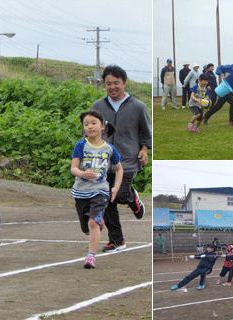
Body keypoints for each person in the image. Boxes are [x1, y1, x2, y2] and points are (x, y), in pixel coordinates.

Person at [90, 65, 152, 252]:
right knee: (107, 200)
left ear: (124, 83)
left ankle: (132, 197)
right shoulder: (98, 106)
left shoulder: (138, 106)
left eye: (116, 83)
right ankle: (117, 241)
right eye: (108, 84)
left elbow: (146, 133)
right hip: (103, 162)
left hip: (127, 160)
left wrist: (144, 150)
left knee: (120, 195)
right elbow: (89, 130)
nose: (112, 87)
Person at [71, 110, 123, 268]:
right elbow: (73, 168)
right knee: (87, 229)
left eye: (93, 123)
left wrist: (115, 188)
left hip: (100, 190)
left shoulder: (109, 149)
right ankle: (96, 225)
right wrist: (82, 173)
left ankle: (91, 257)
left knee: (93, 222)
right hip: (80, 191)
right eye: (86, 124)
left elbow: (119, 169)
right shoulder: (81, 145)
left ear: (102, 127)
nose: (89, 127)